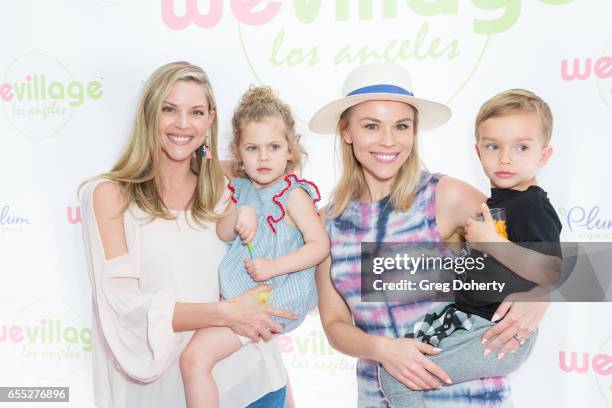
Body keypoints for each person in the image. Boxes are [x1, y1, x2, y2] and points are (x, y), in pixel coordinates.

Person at [309, 63, 550, 407]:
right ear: (346, 131)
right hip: (379, 395)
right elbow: (334, 325)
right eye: (371, 126)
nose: (388, 140)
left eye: (401, 126)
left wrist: (541, 293)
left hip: (465, 395)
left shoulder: (446, 196)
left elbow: (536, 250)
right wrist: (384, 350)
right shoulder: (327, 222)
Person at [79, 62, 296, 408]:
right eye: (169, 109)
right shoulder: (109, 195)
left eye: (196, 112)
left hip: (254, 382)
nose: (183, 124)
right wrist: (224, 313)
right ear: (149, 114)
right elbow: (123, 306)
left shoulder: (223, 189)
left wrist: (287, 394)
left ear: (210, 120)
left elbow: (252, 289)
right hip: (160, 392)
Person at [378, 89, 563, 406]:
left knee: (398, 374)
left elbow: (551, 269)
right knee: (397, 358)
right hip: (467, 319)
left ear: (543, 155)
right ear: (479, 152)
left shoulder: (532, 204)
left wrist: (491, 243)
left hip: (494, 332)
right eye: (494, 146)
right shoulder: (497, 202)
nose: (505, 158)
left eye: (521, 147)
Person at [179, 86, 329, 408]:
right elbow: (200, 164)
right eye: (252, 148)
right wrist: (237, 215)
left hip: (272, 297)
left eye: (274, 147)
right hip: (247, 295)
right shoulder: (241, 185)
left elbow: (319, 246)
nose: (263, 157)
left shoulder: (292, 195)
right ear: (239, 152)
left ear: (290, 150)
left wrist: (274, 266)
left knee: (195, 359)